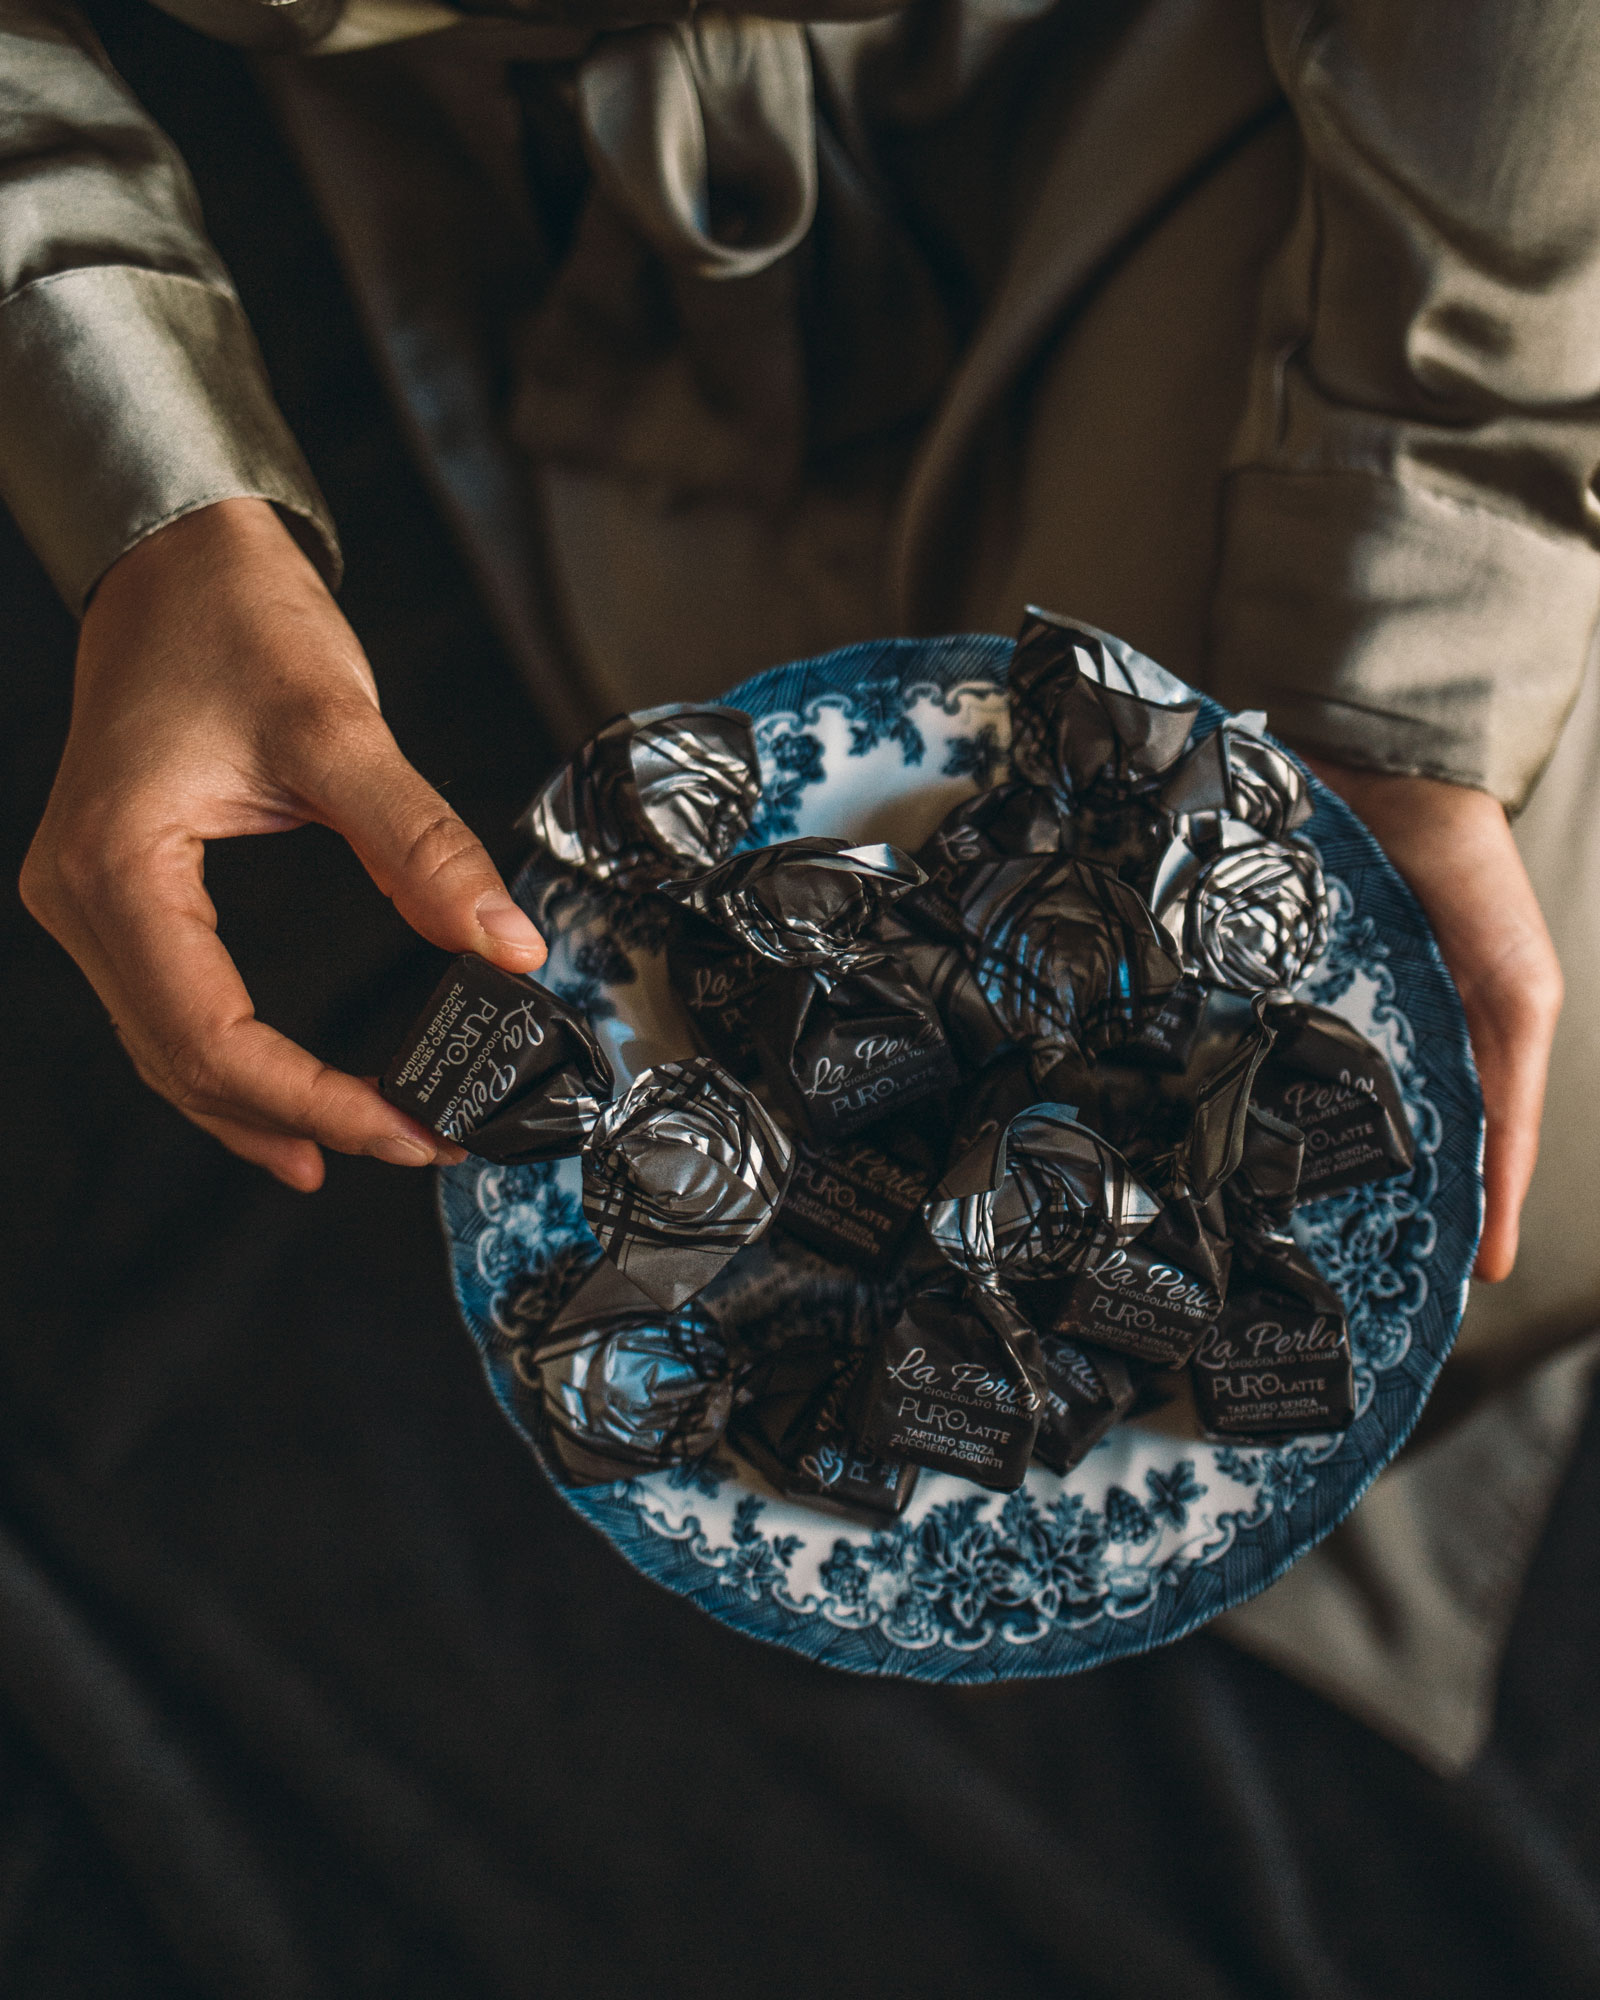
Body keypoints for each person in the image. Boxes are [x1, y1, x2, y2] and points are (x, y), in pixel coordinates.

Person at [4, 0, 1598, 1765]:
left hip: (1230, 103)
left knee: (1529, 1137)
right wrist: (139, 460)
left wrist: (1420, 665)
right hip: (540, 221)